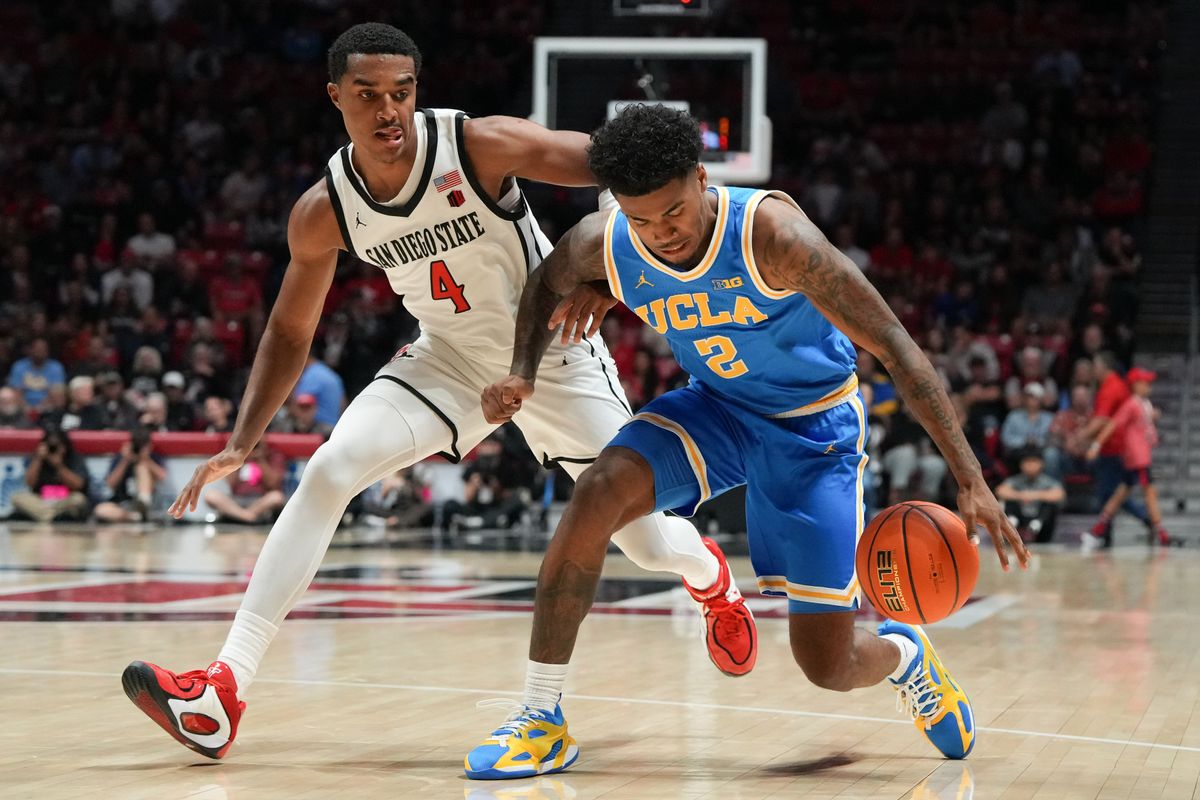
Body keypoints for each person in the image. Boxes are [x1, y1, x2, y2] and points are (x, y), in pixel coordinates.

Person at [121, 24, 750, 763]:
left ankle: (709, 575)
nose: (388, 111)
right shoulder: (324, 210)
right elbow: (292, 332)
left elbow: (637, 171)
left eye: (402, 93)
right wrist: (242, 440)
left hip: (555, 355)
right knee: (329, 469)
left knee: (644, 543)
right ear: (335, 98)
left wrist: (608, 275)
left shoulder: (479, 146)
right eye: (368, 96)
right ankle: (224, 691)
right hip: (446, 361)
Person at [470, 105, 1029, 778]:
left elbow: (898, 351)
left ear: (703, 179)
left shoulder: (777, 238)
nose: (660, 235)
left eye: (672, 213)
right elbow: (544, 282)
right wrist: (522, 371)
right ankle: (540, 718)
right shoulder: (607, 241)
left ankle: (907, 656)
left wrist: (971, 479)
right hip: (717, 410)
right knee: (595, 491)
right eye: (641, 219)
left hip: (813, 433)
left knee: (827, 665)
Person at [1083, 367, 1168, 549]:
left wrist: (1153, 419)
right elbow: (1113, 424)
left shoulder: (1143, 404)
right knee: (1149, 492)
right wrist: (1096, 445)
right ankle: (1161, 532)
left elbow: (1144, 425)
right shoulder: (1131, 404)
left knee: (1121, 492)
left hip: (1140, 455)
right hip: (1138, 457)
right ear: (1135, 385)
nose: (1149, 387)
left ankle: (1098, 528)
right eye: (1145, 383)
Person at [9, 424, 90, 522]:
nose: (53, 449)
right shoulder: (38, 458)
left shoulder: (74, 457)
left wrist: (59, 466)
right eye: (50, 446)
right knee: (17, 497)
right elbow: (29, 483)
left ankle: (44, 517)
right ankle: (51, 518)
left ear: (65, 445)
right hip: (41, 500)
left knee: (79, 499)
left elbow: (78, 485)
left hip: (65, 500)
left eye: (56, 446)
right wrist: (38, 459)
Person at [201, 440, 287, 524]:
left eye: (256, 445)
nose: (253, 449)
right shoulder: (237, 457)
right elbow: (231, 483)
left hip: (260, 501)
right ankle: (247, 517)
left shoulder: (273, 456)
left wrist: (260, 460)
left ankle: (242, 517)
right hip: (237, 500)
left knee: (276, 497)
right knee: (211, 495)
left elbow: (273, 484)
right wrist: (240, 458)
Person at [94, 428, 166, 523]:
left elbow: (163, 477)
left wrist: (145, 460)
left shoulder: (152, 458)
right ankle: (136, 517)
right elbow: (110, 484)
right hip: (125, 505)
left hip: (150, 504)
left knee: (141, 468)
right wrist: (125, 460)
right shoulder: (121, 458)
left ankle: (144, 501)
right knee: (101, 510)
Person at [995, 447, 1065, 543]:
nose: (1030, 465)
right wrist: (1021, 495)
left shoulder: (1048, 481)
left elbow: (1059, 494)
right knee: (1007, 501)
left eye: (1034, 461)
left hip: (1041, 523)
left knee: (1051, 504)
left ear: (1041, 464)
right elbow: (1000, 491)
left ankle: (1036, 525)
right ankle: (1013, 522)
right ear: (1021, 464)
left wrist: (1034, 495)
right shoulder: (1015, 480)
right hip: (1020, 519)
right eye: (1027, 462)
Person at [6, 337, 66, 411]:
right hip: (22, 407)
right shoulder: (19, 366)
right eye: (36, 349)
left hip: (48, 406)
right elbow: (16, 391)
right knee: (7, 394)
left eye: (43, 349)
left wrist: (39, 408)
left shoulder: (56, 367)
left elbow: (57, 392)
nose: (39, 352)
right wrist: (27, 408)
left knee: (59, 396)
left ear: (47, 351)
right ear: (30, 350)